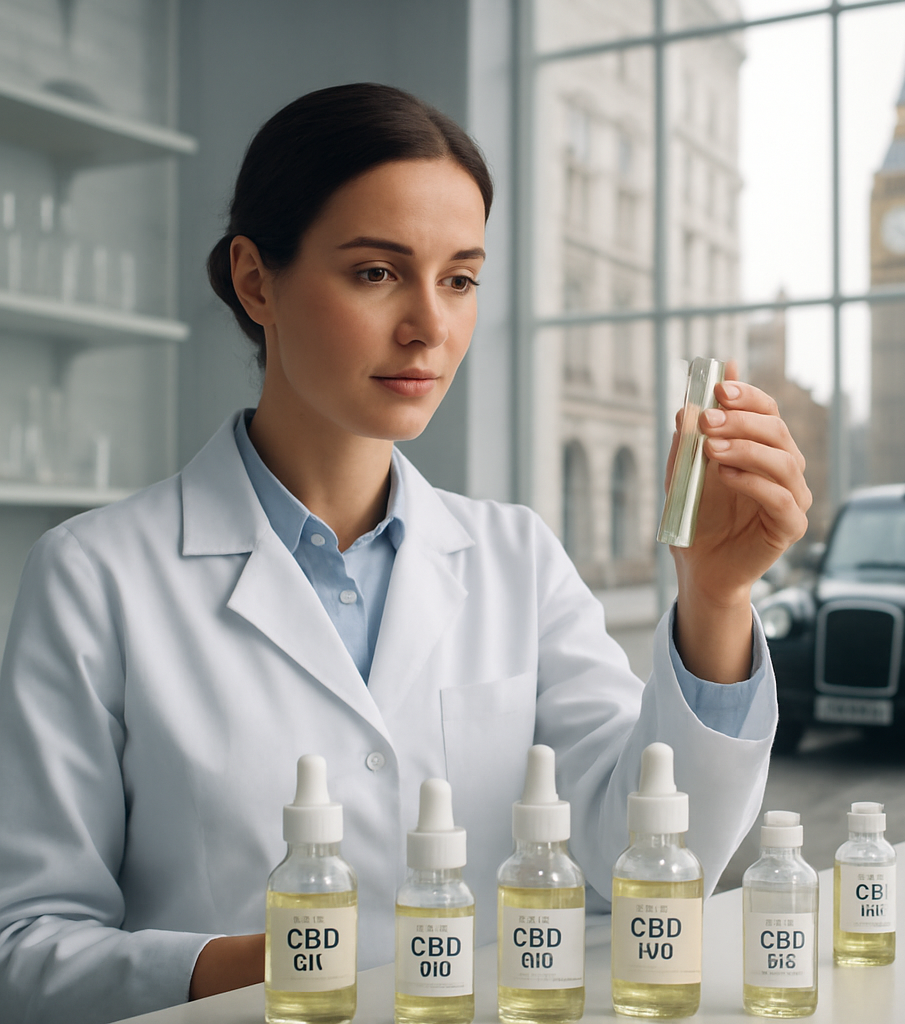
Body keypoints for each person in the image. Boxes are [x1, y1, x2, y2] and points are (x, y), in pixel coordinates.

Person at [0, 84, 811, 1024]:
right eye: (378, 273)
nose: (430, 324)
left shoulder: (515, 557)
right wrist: (283, 965)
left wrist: (714, 597)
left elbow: (654, 864)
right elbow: (26, 948)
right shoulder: (95, 578)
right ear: (256, 280)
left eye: (460, 279)